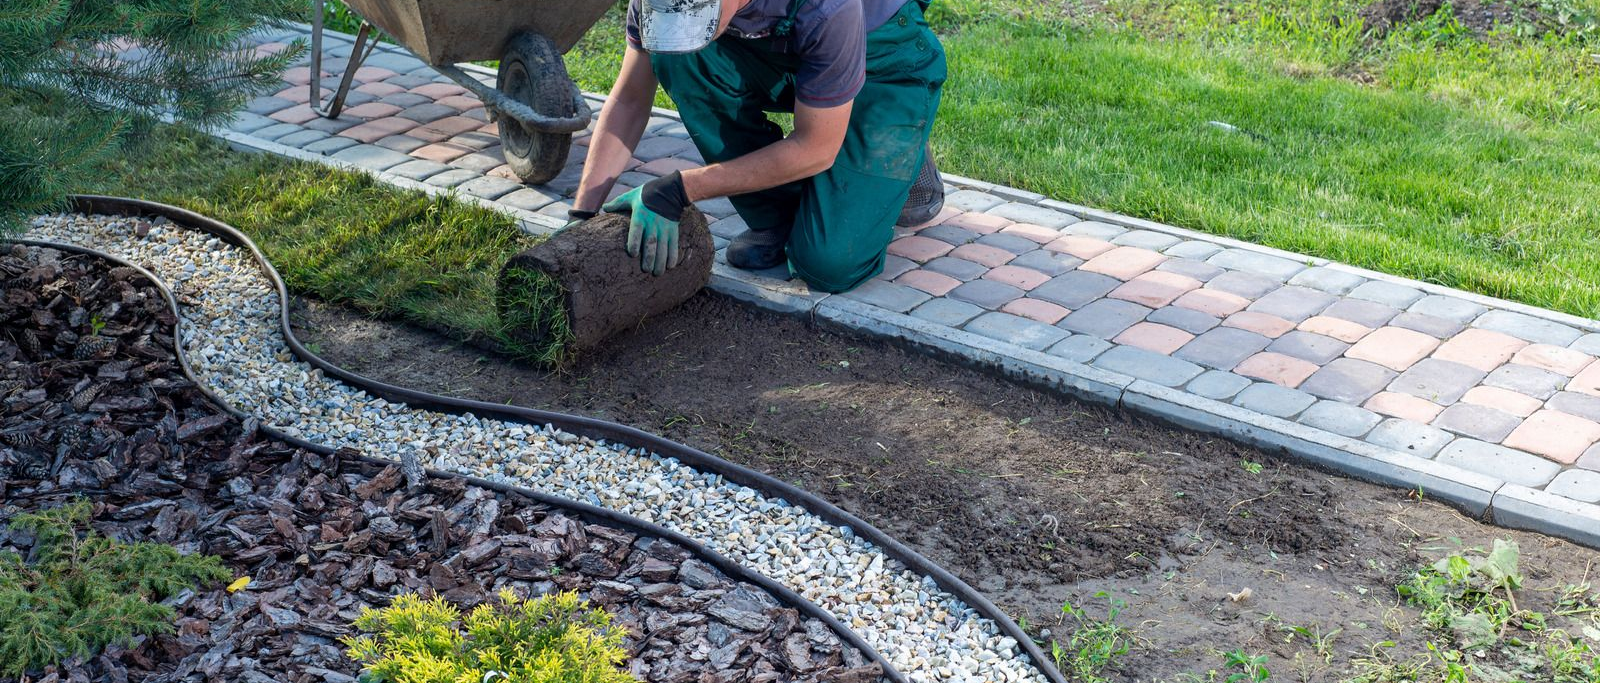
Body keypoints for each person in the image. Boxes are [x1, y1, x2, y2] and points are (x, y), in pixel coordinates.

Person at [566, 0, 947, 293]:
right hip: (791, 56)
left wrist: (680, 189)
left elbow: (816, 148)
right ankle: (784, 213)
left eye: (698, 21)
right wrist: (582, 216)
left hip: (884, 65)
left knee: (829, 265)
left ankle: (900, 151)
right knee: (677, 58)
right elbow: (631, 99)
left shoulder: (831, 7)